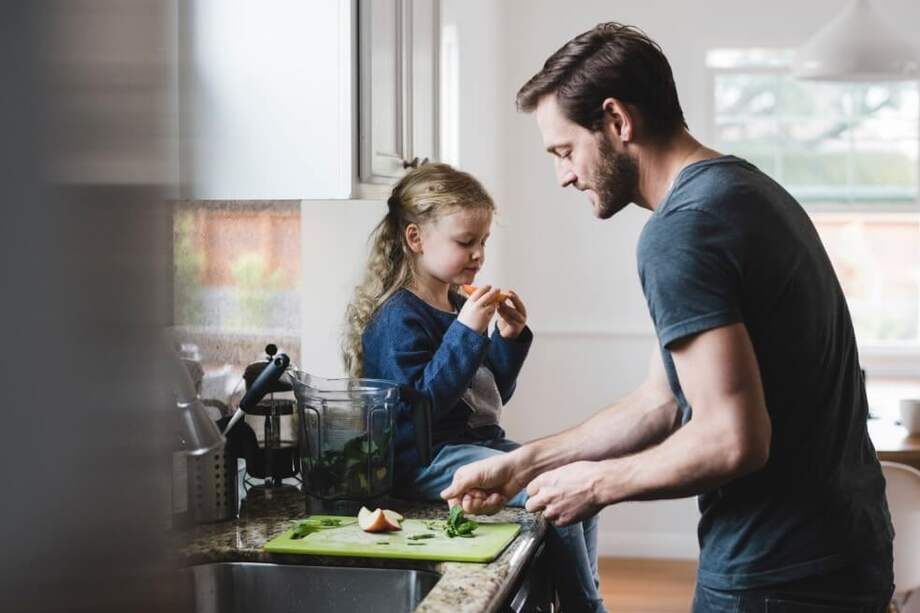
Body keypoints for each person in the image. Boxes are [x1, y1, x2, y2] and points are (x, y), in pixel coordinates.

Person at [440, 22, 895, 612]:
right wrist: (525, 464)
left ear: (617, 120)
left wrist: (596, 484)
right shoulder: (743, 192)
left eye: (565, 151)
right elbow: (661, 402)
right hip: (842, 549)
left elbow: (732, 440)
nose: (564, 176)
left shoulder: (683, 230)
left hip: (777, 573)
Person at [343, 162, 605, 612]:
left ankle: (582, 596)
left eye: (483, 241)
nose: (478, 255)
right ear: (415, 238)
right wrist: (466, 332)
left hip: (476, 445)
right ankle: (585, 607)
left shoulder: (455, 301)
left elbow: (486, 395)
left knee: (577, 477)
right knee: (551, 489)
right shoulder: (397, 317)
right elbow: (420, 408)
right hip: (426, 459)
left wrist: (508, 337)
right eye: (466, 242)